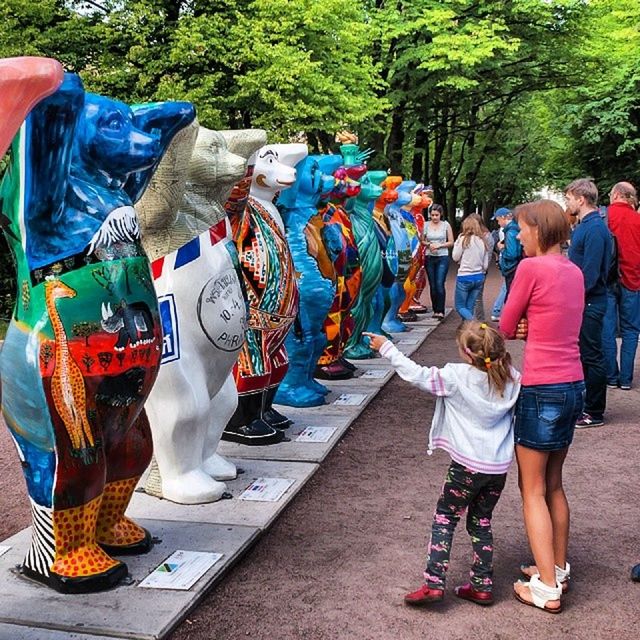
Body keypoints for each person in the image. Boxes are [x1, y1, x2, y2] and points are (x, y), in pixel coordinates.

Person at [363, 322, 520, 607]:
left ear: (467, 354)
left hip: (465, 468)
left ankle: (434, 582)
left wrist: (387, 348)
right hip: (497, 469)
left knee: (445, 517)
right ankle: (482, 584)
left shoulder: (455, 376)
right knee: (480, 522)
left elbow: (416, 375)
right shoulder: (511, 377)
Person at [500, 199, 585, 614]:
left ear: (539, 229)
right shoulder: (574, 270)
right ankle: (558, 568)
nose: (517, 236)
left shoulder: (530, 269)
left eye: (521, 229)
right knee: (554, 483)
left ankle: (546, 588)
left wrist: (525, 325)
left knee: (530, 488)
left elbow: (503, 324)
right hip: (573, 384)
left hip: (541, 387)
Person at [565, 178, 612, 428]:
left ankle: (594, 411)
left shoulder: (594, 228)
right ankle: (588, 406)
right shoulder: (588, 226)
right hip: (587, 300)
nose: (568, 203)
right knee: (586, 354)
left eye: (569, 198)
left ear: (581, 199)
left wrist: (573, 299)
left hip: (590, 302)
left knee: (592, 355)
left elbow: (591, 273)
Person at [602, 182, 640, 390]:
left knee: (606, 328)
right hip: (633, 280)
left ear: (616, 194)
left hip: (608, 279)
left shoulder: (605, 217)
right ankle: (626, 379)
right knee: (631, 329)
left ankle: (611, 376)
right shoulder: (638, 220)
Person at [452, 216, 490, 320]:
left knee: (460, 306)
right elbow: (485, 265)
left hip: (465, 276)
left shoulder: (463, 239)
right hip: (479, 277)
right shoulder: (483, 241)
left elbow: (455, 257)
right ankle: (467, 332)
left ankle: (474, 323)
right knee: (469, 307)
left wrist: (456, 243)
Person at [422, 203, 454, 320]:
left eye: (437, 215)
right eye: (433, 215)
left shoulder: (446, 225)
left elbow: (451, 241)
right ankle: (435, 309)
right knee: (433, 285)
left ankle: (441, 310)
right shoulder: (425, 225)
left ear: (441, 215)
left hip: (442, 257)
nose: (435, 217)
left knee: (440, 283)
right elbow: (422, 240)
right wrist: (429, 245)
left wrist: (440, 246)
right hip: (430, 257)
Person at [494, 207, 522, 299]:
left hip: (511, 268)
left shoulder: (510, 232)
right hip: (514, 267)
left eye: (498, 220)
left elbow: (512, 254)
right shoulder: (514, 229)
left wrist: (502, 249)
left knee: (510, 297)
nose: (498, 223)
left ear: (503, 217)